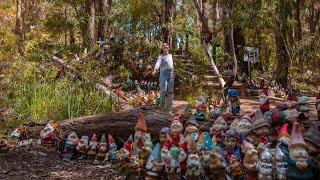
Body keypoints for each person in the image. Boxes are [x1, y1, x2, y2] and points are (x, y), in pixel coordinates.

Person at [152, 43, 174, 112]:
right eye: (164, 46)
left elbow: (171, 64)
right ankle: (161, 107)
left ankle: (169, 109)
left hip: (171, 74)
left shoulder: (170, 55)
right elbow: (158, 63)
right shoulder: (161, 56)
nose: (165, 46)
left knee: (170, 92)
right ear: (162, 48)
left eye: (166, 45)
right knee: (163, 90)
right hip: (163, 74)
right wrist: (155, 70)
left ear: (168, 47)